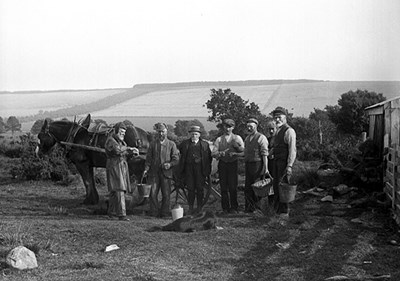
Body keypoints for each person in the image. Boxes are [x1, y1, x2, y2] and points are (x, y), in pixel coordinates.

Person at [143, 123, 180, 217]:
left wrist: (170, 164)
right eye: (159, 132)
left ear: (166, 132)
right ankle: (154, 213)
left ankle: (165, 213)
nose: (161, 134)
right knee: (153, 193)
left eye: (163, 132)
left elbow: (176, 159)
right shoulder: (152, 144)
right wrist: (146, 169)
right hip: (153, 173)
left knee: (166, 194)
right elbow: (148, 159)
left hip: (166, 174)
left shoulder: (171, 144)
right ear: (157, 132)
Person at [105, 122, 139, 221]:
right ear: (116, 131)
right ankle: (122, 214)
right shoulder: (110, 140)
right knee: (119, 189)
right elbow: (117, 150)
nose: (122, 134)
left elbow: (124, 152)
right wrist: (129, 149)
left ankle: (111, 213)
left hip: (122, 166)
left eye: (124, 133)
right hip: (114, 166)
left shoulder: (122, 142)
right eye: (121, 132)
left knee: (114, 191)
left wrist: (132, 153)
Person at [211, 119, 244, 214]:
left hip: (233, 164)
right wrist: (219, 153)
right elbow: (213, 153)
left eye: (230, 126)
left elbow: (243, 152)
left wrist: (236, 152)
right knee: (223, 187)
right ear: (223, 127)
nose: (227, 128)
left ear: (233, 127)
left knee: (233, 187)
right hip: (222, 165)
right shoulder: (219, 139)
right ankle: (225, 208)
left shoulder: (237, 138)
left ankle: (234, 207)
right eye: (226, 126)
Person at [178, 125, 212, 215]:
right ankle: (190, 207)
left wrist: (206, 170)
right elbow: (178, 154)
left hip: (200, 170)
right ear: (190, 134)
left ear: (199, 135)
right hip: (188, 169)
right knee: (190, 189)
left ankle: (200, 207)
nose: (194, 136)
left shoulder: (205, 144)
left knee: (200, 189)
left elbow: (209, 158)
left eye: (196, 134)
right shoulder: (184, 144)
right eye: (192, 134)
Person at [271, 106, 297, 220]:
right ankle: (278, 211)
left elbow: (292, 150)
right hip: (276, 162)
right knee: (277, 186)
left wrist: (289, 166)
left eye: (279, 117)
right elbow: (276, 147)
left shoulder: (289, 131)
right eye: (275, 117)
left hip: (284, 163)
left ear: (285, 117)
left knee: (284, 187)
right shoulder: (278, 131)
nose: (277, 120)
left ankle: (285, 212)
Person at [243, 118, 269, 213]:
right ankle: (249, 208)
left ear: (256, 127)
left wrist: (265, 168)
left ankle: (258, 209)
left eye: (251, 127)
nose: (249, 128)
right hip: (248, 164)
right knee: (248, 186)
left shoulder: (261, 137)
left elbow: (265, 154)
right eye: (248, 127)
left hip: (258, 164)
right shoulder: (247, 138)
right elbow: (245, 152)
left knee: (257, 187)